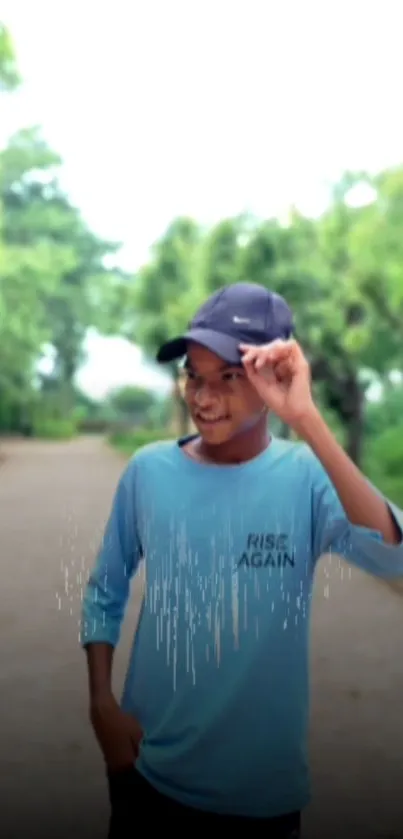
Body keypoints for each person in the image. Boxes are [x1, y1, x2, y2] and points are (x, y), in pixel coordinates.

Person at [81, 282, 403, 837]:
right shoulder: (148, 471)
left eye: (229, 378)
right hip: (148, 774)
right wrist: (100, 705)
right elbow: (104, 591)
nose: (203, 398)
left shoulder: (307, 479)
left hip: (262, 796)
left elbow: (394, 561)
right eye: (193, 376)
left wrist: (307, 420)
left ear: (272, 375)